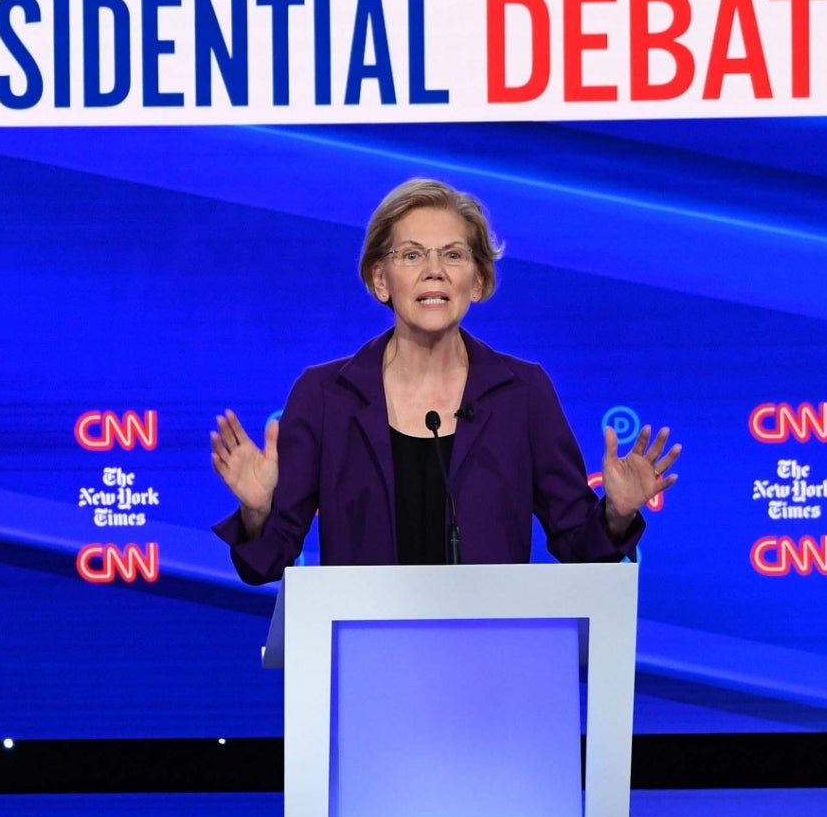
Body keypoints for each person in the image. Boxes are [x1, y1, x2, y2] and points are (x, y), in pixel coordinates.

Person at [211, 176, 675, 580]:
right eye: (411, 255)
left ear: (477, 281)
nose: (434, 271)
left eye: (453, 254)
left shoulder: (523, 394)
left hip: (493, 660)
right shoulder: (325, 396)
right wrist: (257, 511)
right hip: (366, 665)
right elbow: (265, 563)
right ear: (380, 279)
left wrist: (616, 512)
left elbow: (581, 553)